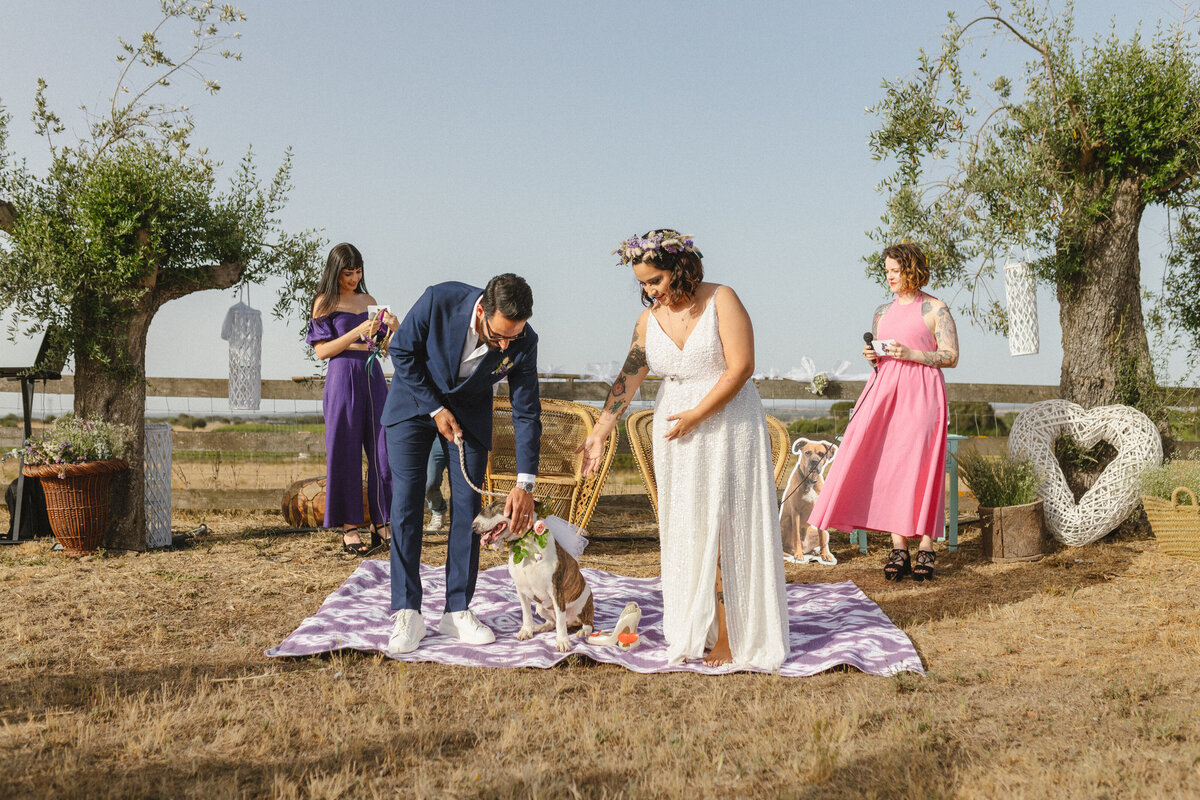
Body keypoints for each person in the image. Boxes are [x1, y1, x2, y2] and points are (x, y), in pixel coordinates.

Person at [579, 230, 789, 670]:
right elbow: (630, 375)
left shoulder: (722, 299)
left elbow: (743, 367)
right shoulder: (648, 320)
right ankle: (699, 625)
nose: (648, 290)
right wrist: (600, 430)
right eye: (643, 283)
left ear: (679, 269)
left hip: (727, 424)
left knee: (728, 527)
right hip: (676, 432)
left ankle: (734, 638)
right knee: (690, 527)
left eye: (655, 280)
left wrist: (698, 413)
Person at [383, 274, 541, 654]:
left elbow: (526, 410)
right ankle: (408, 612)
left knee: (470, 510)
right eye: (499, 335)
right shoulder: (440, 298)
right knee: (406, 502)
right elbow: (402, 350)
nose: (505, 345)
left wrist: (526, 482)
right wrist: (436, 408)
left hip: (469, 417)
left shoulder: (524, 341)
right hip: (413, 406)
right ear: (482, 310)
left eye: (512, 338)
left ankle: (456, 610)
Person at [808, 242, 958, 582]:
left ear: (912, 269)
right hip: (885, 390)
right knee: (890, 466)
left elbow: (950, 356)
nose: (889, 276)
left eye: (895, 270)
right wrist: (873, 357)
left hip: (922, 392)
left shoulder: (936, 309)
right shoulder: (881, 312)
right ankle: (899, 548)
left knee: (921, 466)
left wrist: (910, 353)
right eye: (887, 271)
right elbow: (884, 354)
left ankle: (926, 548)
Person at [306, 243, 399, 555]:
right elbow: (321, 351)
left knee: (383, 452)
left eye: (358, 271)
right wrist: (356, 331)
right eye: (348, 273)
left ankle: (381, 521)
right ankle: (350, 527)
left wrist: (390, 332)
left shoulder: (369, 301)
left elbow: (382, 350)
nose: (354, 278)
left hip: (373, 377)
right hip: (342, 378)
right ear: (336, 271)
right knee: (344, 453)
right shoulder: (324, 302)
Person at [425, 445, 448, 530]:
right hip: (436, 438)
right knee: (429, 482)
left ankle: (462, 519)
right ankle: (438, 510)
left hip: (462, 437)